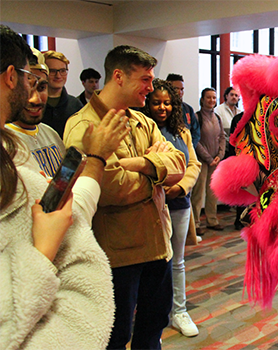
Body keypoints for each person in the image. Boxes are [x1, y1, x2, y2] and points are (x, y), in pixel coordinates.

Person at [0, 24, 130, 350]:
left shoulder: (45, 136)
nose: (35, 93)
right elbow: (66, 212)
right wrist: (98, 158)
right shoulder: (13, 153)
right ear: (11, 77)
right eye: (30, 79)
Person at [64, 45, 186, 350]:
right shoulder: (83, 125)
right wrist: (155, 177)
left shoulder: (141, 120)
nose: (151, 87)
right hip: (118, 257)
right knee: (115, 338)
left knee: (152, 328)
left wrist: (140, 164)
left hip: (158, 247)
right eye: (145, 80)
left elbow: (179, 164)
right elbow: (107, 189)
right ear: (118, 76)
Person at [141, 79, 201, 337]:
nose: (162, 108)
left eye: (167, 103)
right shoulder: (141, 130)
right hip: (149, 206)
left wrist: (182, 187)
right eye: (156, 103)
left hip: (179, 203)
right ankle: (153, 315)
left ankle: (179, 311)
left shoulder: (182, 131)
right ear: (148, 104)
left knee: (177, 261)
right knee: (153, 263)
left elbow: (194, 164)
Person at [6, 47, 65, 177]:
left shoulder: (51, 134)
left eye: (41, 88)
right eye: (27, 87)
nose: (36, 99)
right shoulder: (5, 142)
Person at [191, 87, 225, 231]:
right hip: (202, 161)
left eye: (214, 97)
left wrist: (219, 155)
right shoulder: (196, 117)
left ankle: (212, 220)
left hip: (215, 161)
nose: (211, 100)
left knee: (213, 193)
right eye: (208, 97)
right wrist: (208, 157)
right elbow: (195, 140)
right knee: (198, 194)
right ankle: (196, 223)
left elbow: (222, 137)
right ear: (202, 99)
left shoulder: (217, 117)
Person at [41, 50, 83, 137]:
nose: (58, 76)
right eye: (52, 71)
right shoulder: (34, 104)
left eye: (62, 71)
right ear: (43, 72)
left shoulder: (75, 105)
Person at [166, 73, 200, 148]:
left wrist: (189, 147)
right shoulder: (164, 109)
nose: (179, 92)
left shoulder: (188, 109)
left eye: (182, 89)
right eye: (176, 89)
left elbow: (195, 132)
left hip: (187, 150)